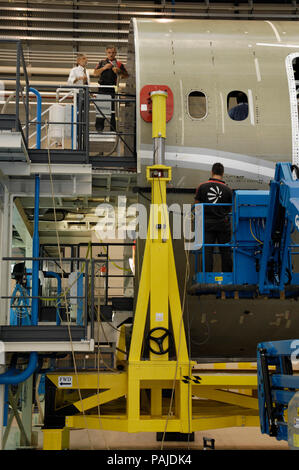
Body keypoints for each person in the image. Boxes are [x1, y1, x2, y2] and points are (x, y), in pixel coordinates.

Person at [195, 162, 233, 273]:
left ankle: (207, 279)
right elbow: (229, 209)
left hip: (207, 225)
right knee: (226, 252)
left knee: (207, 252)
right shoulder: (228, 190)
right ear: (223, 173)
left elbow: (197, 206)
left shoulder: (202, 187)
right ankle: (228, 280)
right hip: (223, 225)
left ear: (212, 172)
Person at [93, 45, 128, 132]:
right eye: (109, 52)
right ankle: (99, 128)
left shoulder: (119, 64)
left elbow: (126, 75)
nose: (111, 54)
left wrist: (118, 71)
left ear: (116, 53)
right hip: (102, 89)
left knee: (114, 110)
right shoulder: (101, 62)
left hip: (114, 89)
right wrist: (104, 68)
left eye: (113, 52)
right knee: (101, 109)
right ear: (106, 53)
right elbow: (95, 73)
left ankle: (113, 130)